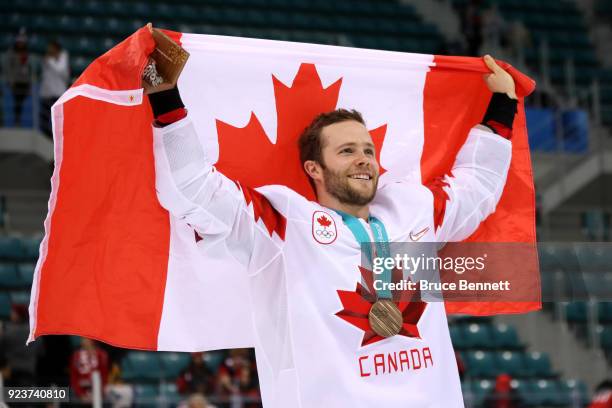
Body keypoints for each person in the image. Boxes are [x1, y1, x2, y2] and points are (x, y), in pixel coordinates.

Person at [148, 54, 518, 407]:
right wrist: (165, 95)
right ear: (314, 169)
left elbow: (478, 186)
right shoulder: (283, 227)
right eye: (346, 151)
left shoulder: (414, 212)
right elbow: (194, 189)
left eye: (368, 150)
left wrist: (503, 101)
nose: (363, 159)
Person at [39, 39, 69, 138]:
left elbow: (61, 70)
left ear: (56, 48)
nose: (49, 50)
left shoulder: (63, 56)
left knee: (59, 122)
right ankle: (50, 140)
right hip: (46, 94)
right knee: (43, 122)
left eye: (51, 48)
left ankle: (56, 141)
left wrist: (51, 61)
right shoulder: (46, 58)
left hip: (58, 94)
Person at [3, 29, 32, 126]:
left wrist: (29, 82)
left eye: (22, 43)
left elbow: (28, 67)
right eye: (19, 42)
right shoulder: (11, 52)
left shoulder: (27, 52)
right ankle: (16, 120)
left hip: (25, 81)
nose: (21, 44)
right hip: (16, 81)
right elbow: (8, 67)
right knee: (17, 101)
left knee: (22, 101)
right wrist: (11, 80)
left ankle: (19, 120)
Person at [69, 337, 109, 403]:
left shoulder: (101, 354)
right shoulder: (76, 355)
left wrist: (101, 391)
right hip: (80, 390)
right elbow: (74, 375)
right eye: (83, 339)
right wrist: (80, 393)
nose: (84, 341)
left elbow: (104, 374)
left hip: (98, 389)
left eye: (86, 339)